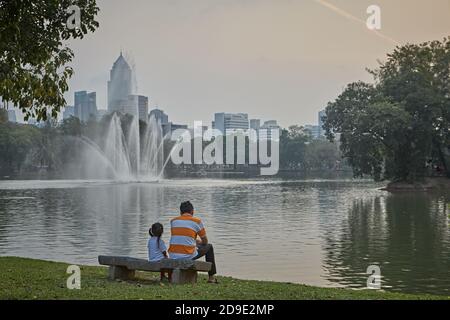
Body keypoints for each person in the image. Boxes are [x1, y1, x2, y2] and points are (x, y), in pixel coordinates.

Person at [168, 201, 218, 283]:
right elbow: (205, 241)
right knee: (209, 247)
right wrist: (200, 243)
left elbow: (182, 236)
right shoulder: (196, 221)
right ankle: (211, 277)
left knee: (194, 247)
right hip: (187, 256)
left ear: (180, 212)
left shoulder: (173, 221)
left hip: (173, 255)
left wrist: (194, 241)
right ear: (192, 211)